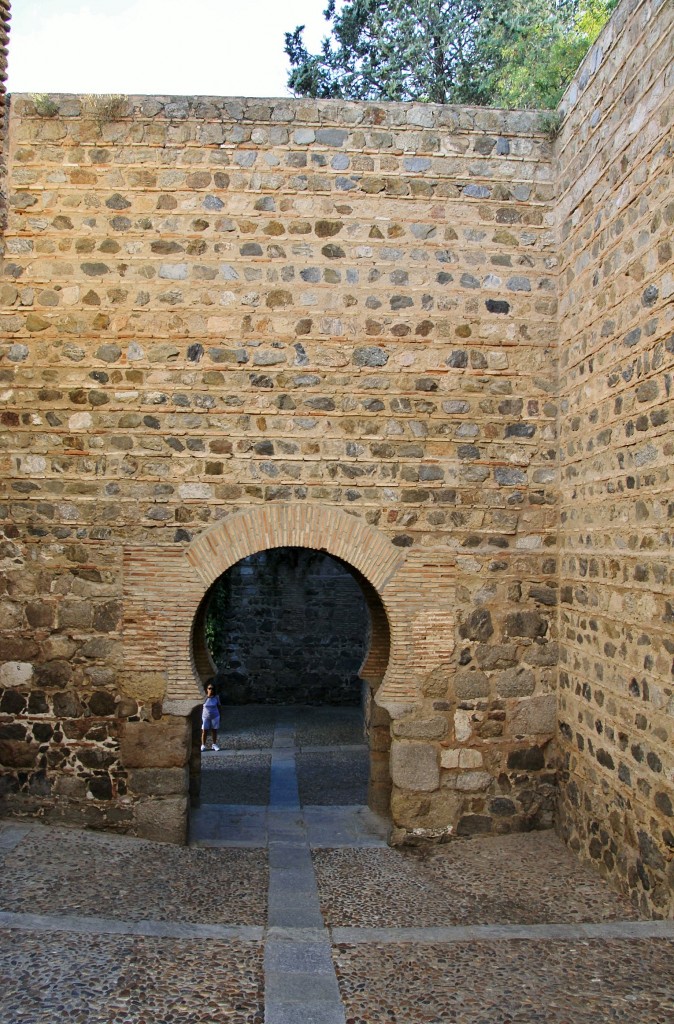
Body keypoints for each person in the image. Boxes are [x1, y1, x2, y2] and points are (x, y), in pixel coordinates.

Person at [201, 683, 222, 751]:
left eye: (212, 688)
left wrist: (220, 715)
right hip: (205, 716)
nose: (211, 690)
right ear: (207, 689)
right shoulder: (203, 697)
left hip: (215, 716)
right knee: (204, 731)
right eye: (209, 688)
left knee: (214, 730)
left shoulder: (216, 697)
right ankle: (203, 745)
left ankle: (214, 744)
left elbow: (219, 706)